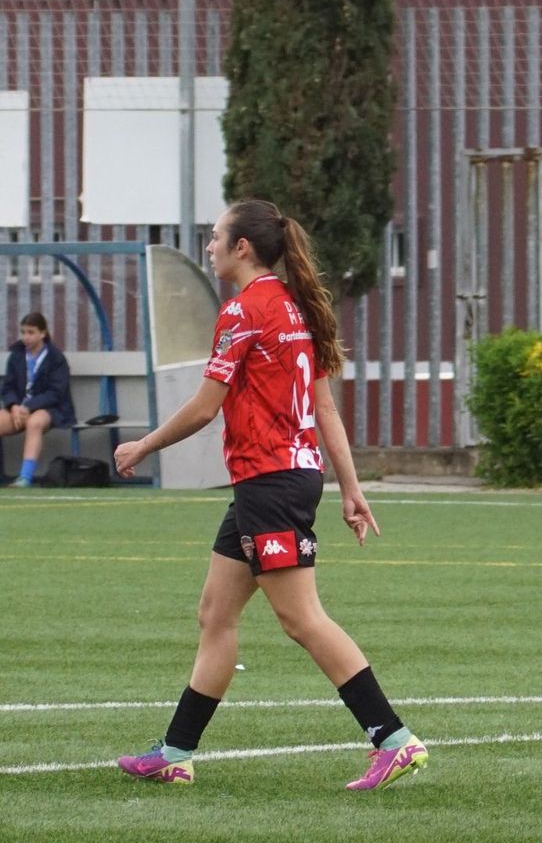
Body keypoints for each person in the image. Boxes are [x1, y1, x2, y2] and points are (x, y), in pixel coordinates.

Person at [112, 199, 428, 791]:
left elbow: (207, 407)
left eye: (214, 238)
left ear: (242, 248)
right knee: (216, 614)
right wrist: (350, 489)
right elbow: (325, 407)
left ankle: (394, 740)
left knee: (301, 618)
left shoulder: (244, 311)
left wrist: (143, 446)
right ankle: (174, 750)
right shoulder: (293, 307)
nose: (208, 247)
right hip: (280, 480)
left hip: (270, 482)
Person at [1, 313, 77, 487]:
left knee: (35, 422)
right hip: (19, 409)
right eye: (23, 332)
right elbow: (7, 387)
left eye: (31, 332)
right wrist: (13, 406)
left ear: (42, 333)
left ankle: (25, 477)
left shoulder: (56, 358)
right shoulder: (17, 355)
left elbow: (56, 392)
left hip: (51, 409)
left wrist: (28, 406)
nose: (26, 337)